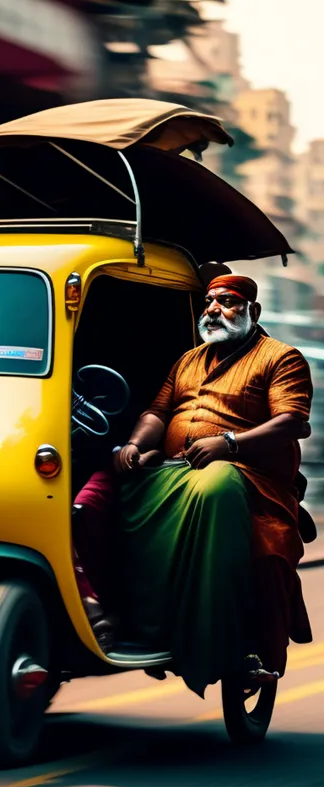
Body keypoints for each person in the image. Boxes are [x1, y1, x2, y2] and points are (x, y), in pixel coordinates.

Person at [73, 267, 313, 697]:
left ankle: (217, 638)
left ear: (252, 310)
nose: (214, 309)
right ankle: (103, 610)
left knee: (214, 486)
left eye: (227, 302)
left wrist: (230, 445)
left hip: (247, 476)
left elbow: (293, 422)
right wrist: (133, 444)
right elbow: (157, 413)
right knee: (91, 499)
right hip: (169, 471)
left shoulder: (281, 356)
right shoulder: (187, 360)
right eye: (209, 302)